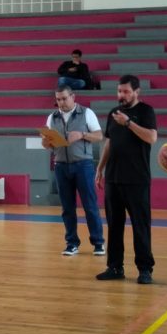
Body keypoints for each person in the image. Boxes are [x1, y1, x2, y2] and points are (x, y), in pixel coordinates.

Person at [95, 74, 157, 284]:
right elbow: (109, 143)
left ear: (137, 92)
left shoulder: (146, 111)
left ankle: (145, 269)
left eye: (126, 92)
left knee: (141, 226)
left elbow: (152, 137)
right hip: (113, 178)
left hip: (137, 179)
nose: (121, 95)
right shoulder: (113, 113)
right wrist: (100, 168)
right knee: (114, 225)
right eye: (119, 91)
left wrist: (128, 123)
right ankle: (114, 267)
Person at [43, 85, 105, 256]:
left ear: (73, 96)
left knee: (90, 205)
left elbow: (99, 136)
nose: (61, 102)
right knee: (67, 208)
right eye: (58, 99)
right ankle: (71, 243)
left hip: (83, 165)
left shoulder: (87, 113)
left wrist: (82, 135)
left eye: (64, 98)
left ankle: (98, 243)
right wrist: (46, 142)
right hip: (60, 166)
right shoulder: (52, 117)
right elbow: (47, 143)